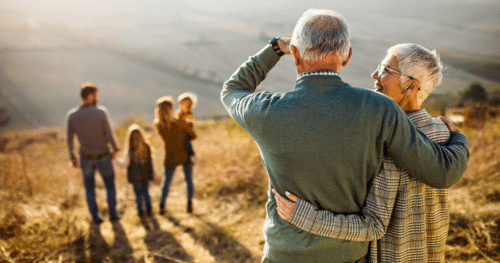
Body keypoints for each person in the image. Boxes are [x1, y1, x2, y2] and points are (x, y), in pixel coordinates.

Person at [220, 9, 469, 263]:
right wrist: (459, 140)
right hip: (350, 256)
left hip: (285, 254)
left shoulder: (265, 111)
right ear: (347, 57)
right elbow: (442, 173)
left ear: (295, 54)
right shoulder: (379, 109)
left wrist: (275, 49)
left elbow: (232, 90)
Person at [274, 43, 460, 262]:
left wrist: (306, 217)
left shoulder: (385, 142)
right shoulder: (445, 133)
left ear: (410, 86)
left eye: (385, 70)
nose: (374, 75)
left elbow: (373, 226)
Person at [66, 82, 121, 224]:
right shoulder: (100, 112)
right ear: (90, 96)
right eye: (96, 95)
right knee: (110, 185)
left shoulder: (72, 116)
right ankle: (113, 214)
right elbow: (109, 134)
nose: (97, 98)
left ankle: (95, 217)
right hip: (103, 156)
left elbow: (69, 140)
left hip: (85, 158)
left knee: (89, 189)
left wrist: (72, 157)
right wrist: (115, 148)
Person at [154, 96, 197, 214]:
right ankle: (189, 204)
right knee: (189, 179)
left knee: (166, 182)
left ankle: (162, 205)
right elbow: (193, 135)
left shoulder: (158, 124)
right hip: (184, 154)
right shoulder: (180, 122)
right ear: (171, 109)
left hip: (170, 156)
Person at [122, 124, 154, 218]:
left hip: (135, 178)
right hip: (145, 176)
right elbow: (150, 164)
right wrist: (151, 175)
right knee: (146, 193)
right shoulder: (147, 147)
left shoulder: (130, 150)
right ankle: (149, 210)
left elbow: (125, 163)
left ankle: (140, 213)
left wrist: (114, 160)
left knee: (138, 195)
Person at [175, 92, 197, 164]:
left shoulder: (189, 114)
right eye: (183, 103)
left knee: (187, 144)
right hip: (178, 134)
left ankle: (191, 157)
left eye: (187, 103)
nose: (185, 105)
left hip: (186, 135)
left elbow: (190, 126)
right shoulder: (178, 113)